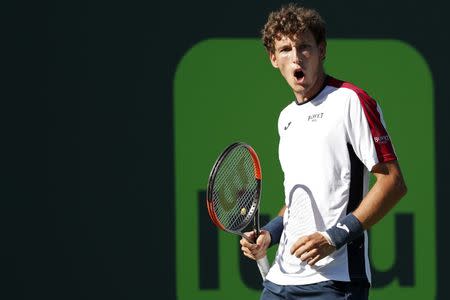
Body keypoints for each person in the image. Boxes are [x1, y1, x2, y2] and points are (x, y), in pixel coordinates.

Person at [240, 4, 407, 300]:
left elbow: (392, 183)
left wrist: (334, 237)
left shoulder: (351, 101)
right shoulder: (286, 118)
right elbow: (297, 201)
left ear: (321, 51)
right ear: (273, 58)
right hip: (280, 280)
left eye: (304, 47)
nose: (296, 57)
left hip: (335, 281)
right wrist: (271, 233)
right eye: (286, 49)